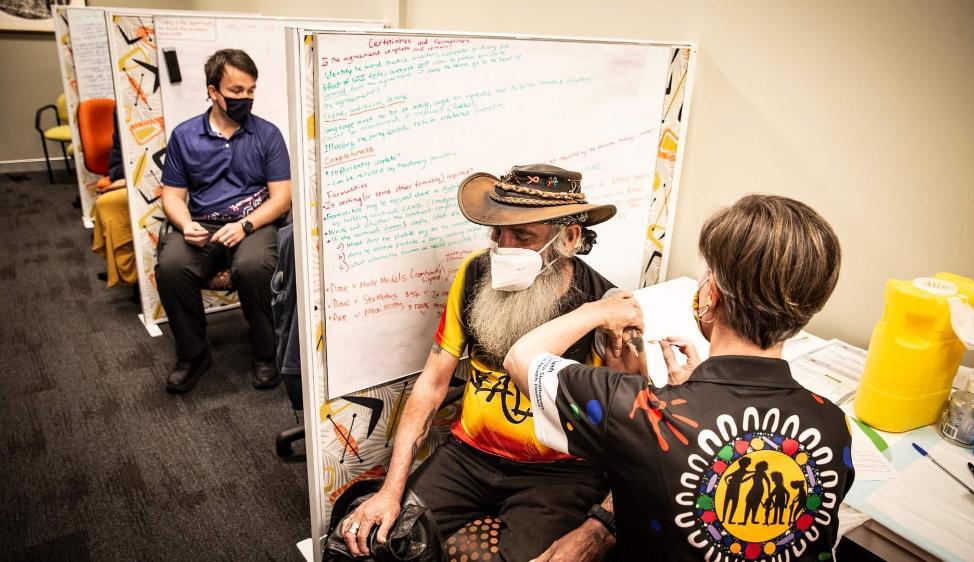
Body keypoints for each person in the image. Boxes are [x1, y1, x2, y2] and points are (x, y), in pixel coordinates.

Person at [506, 194, 855, 561]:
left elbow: (521, 357)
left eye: (707, 274)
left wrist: (598, 310)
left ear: (711, 294)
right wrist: (697, 390)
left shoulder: (641, 412)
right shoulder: (834, 424)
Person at [341, 165, 621, 562]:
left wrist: (602, 527)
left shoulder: (602, 308)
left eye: (522, 236)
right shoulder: (474, 274)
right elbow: (433, 383)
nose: (503, 247)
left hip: (557, 476)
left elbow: (631, 434)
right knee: (372, 543)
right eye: (497, 233)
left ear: (569, 237)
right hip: (468, 456)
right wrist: (390, 489)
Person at [156, 49, 291, 393]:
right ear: (213, 91)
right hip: (203, 224)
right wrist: (185, 224)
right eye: (236, 91)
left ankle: (266, 354)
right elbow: (172, 196)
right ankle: (193, 355)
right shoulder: (185, 136)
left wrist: (246, 225)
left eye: (251, 91)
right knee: (171, 267)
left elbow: (281, 198)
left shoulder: (268, 135)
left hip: (253, 225)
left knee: (255, 266)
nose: (246, 98)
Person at [91, 109, 137, 289]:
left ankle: (131, 271)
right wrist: (125, 175)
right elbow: (117, 156)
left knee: (108, 203)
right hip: (132, 176)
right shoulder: (124, 105)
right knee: (105, 203)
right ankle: (130, 272)